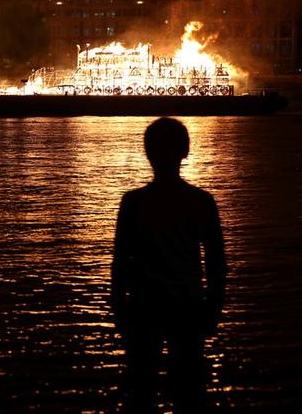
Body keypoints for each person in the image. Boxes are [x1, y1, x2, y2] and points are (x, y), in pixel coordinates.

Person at [111, 117, 226, 413]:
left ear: (147, 152)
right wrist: (213, 307)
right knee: (189, 392)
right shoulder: (202, 201)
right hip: (188, 307)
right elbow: (216, 263)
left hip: (144, 307)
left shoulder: (133, 202)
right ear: (185, 152)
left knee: (140, 390)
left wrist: (118, 307)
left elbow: (120, 260)